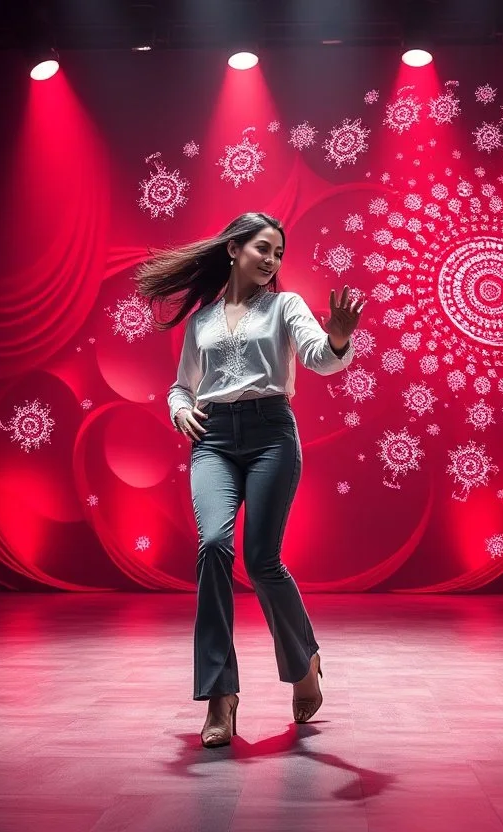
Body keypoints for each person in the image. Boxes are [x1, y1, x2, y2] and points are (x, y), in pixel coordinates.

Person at [135, 212, 367, 748]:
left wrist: (336, 339)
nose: (272, 260)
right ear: (234, 249)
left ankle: (302, 661)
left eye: (279, 253)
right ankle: (221, 694)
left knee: (262, 561)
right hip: (213, 441)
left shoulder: (285, 307)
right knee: (214, 545)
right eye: (264, 248)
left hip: (270, 438)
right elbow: (182, 385)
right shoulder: (202, 322)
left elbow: (319, 359)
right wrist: (179, 409)